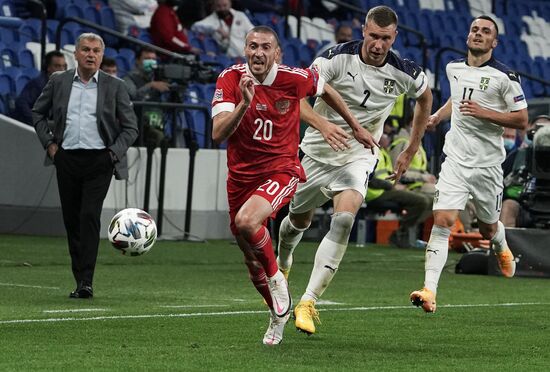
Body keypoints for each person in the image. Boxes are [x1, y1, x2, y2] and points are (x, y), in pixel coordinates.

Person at [211, 25, 376, 345]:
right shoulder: (230, 79)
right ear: (245, 50)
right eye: (253, 46)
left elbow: (326, 89)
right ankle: (277, 317)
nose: (258, 52)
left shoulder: (294, 77)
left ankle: (277, 279)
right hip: (240, 177)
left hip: (281, 169)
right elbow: (218, 133)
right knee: (248, 257)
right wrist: (244, 103)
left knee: (248, 222)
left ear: (276, 53)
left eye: (265, 47)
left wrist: (353, 126)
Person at [277, 5, 432, 335]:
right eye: (373, 36)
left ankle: (307, 302)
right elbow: (299, 97)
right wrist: (324, 125)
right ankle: (283, 264)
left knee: (345, 218)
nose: (378, 45)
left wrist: (412, 147)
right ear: (364, 30)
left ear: (395, 37)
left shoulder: (405, 71)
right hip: (317, 153)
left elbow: (425, 97)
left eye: (385, 39)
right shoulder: (334, 58)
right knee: (297, 222)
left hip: (358, 157)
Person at [410, 15, 529, 313]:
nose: (478, 34)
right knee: (443, 221)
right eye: (475, 29)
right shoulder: (453, 68)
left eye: (485, 31)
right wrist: (438, 115)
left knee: (488, 228)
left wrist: (484, 112)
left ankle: (501, 245)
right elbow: (457, 98)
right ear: (468, 37)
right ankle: (429, 290)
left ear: (494, 42)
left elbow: (522, 120)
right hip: (456, 162)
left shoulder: (505, 77)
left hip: (488, 166)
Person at [32, 33, 139, 299]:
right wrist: (50, 145)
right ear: (76, 54)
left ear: (101, 56)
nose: (91, 55)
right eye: (86, 50)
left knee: (89, 217)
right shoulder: (58, 81)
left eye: (96, 51)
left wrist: (113, 153)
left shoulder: (115, 86)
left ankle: (86, 282)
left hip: (99, 161)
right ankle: (79, 278)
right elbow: (38, 112)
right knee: (72, 221)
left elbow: (131, 127)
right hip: (66, 158)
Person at [123, 47, 170, 147]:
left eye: (153, 59)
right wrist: (150, 85)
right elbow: (133, 97)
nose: (151, 62)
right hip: (138, 127)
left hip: (158, 124)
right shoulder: (128, 78)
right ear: (137, 61)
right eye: (147, 59)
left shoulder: (160, 79)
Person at [12, 51, 67, 125]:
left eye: (64, 66)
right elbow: (21, 103)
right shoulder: (38, 84)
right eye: (57, 66)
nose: (62, 70)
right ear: (48, 68)